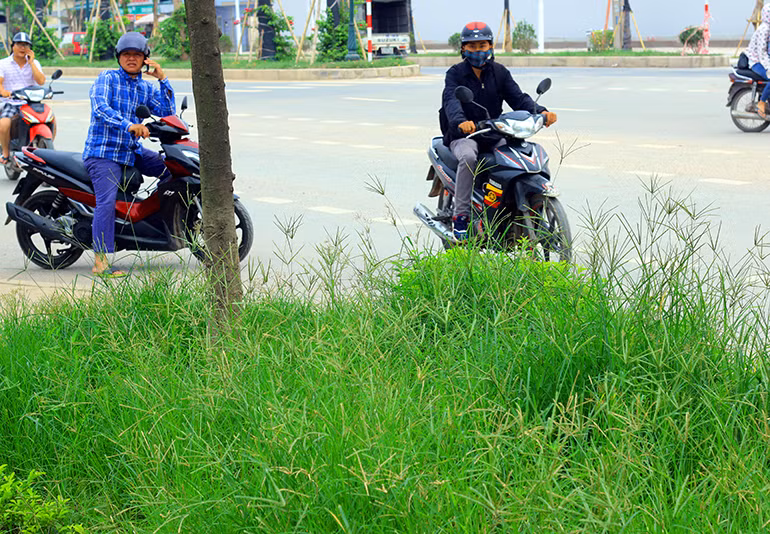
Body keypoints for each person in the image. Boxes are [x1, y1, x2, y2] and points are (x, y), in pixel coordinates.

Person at [439, 22, 557, 241]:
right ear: (463, 49)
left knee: (517, 158)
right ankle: (461, 218)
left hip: (494, 132)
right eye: (472, 47)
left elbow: (517, 98)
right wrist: (461, 122)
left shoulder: (500, 72)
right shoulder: (455, 74)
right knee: (468, 157)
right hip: (466, 134)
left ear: (491, 46)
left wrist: (541, 112)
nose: (478, 51)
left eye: (482, 45)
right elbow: (451, 102)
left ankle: (508, 211)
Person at [83, 31, 175, 277]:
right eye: (126, 54)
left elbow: (168, 112)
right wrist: (129, 125)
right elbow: (100, 107)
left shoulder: (145, 87)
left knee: (172, 170)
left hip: (132, 151)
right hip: (104, 152)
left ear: (145, 58)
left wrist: (162, 79)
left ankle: (153, 222)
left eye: (137, 54)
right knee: (106, 201)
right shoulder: (108, 78)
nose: (131, 58)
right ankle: (101, 262)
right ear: (118, 57)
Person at [0, 32, 46, 164]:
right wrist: (3, 92)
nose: (22, 48)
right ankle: (5, 152)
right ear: (12, 46)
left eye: (26, 45)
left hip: (31, 102)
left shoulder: (35, 63)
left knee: (49, 117)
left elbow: (41, 81)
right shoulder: (3, 64)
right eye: (19, 44)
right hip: (11, 102)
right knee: (4, 123)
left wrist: (31, 63)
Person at [747, 5, 770, 118]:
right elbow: (762, 53)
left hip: (764, 60)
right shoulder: (764, 29)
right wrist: (768, 67)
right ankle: (762, 102)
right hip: (756, 62)